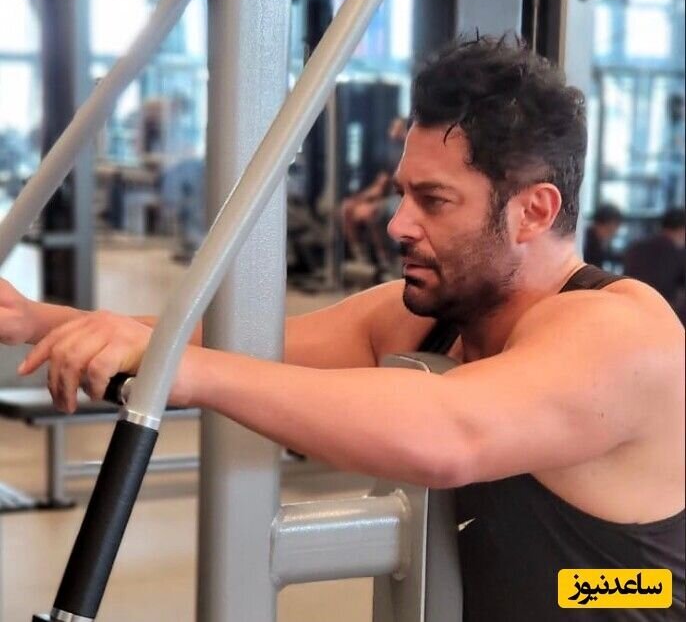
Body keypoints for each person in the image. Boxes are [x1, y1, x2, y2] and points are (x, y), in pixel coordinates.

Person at [1, 37, 684, 620]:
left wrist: (190, 372)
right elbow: (226, 346)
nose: (397, 224)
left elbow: (450, 432)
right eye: (403, 193)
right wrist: (32, 319)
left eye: (434, 200)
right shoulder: (424, 320)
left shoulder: (619, 333)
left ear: (534, 211)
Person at [340, 117, 408, 280]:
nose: (392, 131)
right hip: (390, 198)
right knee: (347, 209)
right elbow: (379, 186)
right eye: (392, 127)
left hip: (405, 198)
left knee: (371, 212)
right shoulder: (390, 153)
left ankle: (385, 261)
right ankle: (361, 256)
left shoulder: (413, 152)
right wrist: (356, 200)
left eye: (396, 127)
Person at [624, 207, 686, 324]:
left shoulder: (635, 248)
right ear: (682, 230)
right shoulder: (678, 254)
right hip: (664, 318)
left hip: (632, 313)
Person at [583, 203, 622, 269]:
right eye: (609, 230)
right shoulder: (586, 243)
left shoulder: (599, 242)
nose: (611, 235)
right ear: (599, 224)